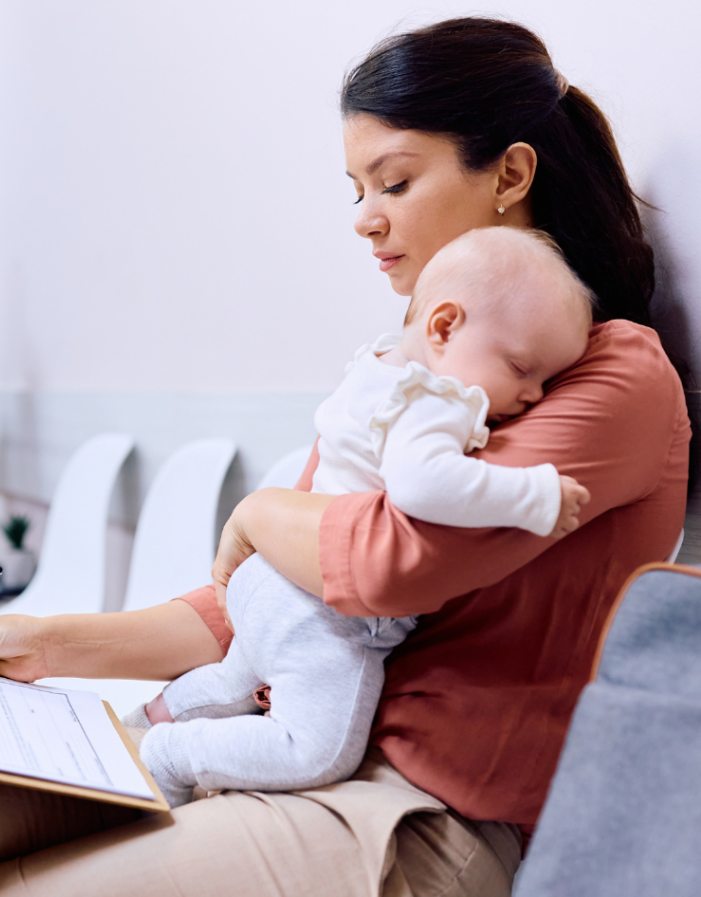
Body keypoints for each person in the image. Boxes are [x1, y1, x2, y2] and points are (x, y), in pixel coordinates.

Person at [0, 19, 689, 897]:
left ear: (512, 173)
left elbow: (383, 563)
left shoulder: (613, 375)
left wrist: (258, 515)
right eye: (355, 190)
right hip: (271, 739)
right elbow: (255, 603)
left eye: (395, 182)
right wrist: (40, 644)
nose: (366, 222)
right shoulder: (402, 368)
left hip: (412, 814)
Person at [132, 227, 594, 808]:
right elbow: (423, 484)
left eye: (544, 381)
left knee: (234, 682)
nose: (532, 395)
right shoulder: (439, 397)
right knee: (317, 751)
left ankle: (154, 715)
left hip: (271, 580)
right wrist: (535, 496)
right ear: (444, 327)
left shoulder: (379, 365)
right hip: (325, 614)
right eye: (522, 368)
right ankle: (172, 752)